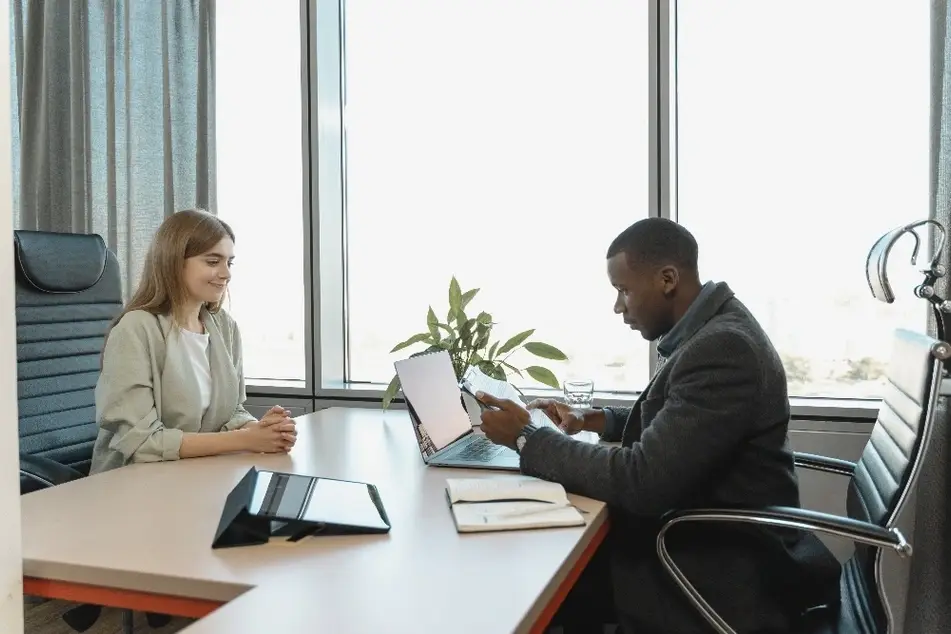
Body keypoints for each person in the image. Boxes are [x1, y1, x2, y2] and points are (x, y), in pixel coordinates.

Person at [476, 218, 839, 634]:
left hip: (718, 568)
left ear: (667, 279)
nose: (619, 306)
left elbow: (643, 482)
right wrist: (597, 420)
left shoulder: (724, 348)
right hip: (705, 540)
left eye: (624, 290)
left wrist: (527, 437)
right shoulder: (712, 329)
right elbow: (682, 421)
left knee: (535, 576)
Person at [90, 209, 297, 474]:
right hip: (132, 484)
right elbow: (141, 442)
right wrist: (246, 440)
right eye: (213, 262)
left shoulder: (224, 327)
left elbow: (231, 411)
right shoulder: (136, 329)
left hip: (194, 476)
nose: (226, 274)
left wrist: (260, 429)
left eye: (229, 263)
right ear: (174, 263)